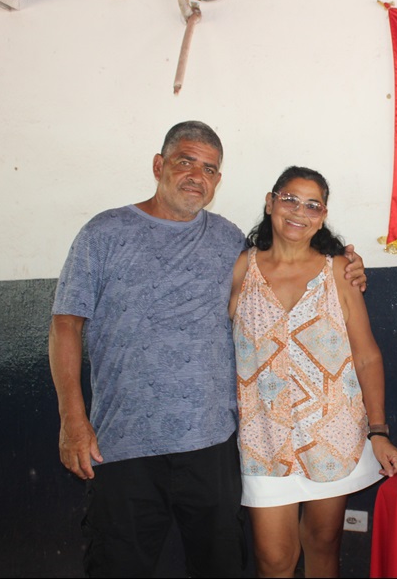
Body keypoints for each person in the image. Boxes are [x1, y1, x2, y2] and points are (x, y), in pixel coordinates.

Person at [48, 122, 367, 578]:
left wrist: (349, 265)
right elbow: (65, 325)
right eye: (186, 161)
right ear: (158, 165)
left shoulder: (228, 241)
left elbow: (289, 256)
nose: (197, 175)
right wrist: (72, 421)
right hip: (123, 444)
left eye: (210, 168)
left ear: (218, 181)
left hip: (213, 446)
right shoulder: (104, 233)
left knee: (220, 566)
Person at [228, 166, 397, 578]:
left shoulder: (339, 272)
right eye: (289, 199)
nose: (298, 212)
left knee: (323, 543)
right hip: (262, 440)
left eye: (312, 205)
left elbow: (366, 356)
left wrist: (378, 432)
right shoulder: (239, 269)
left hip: (332, 436)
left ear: (322, 217)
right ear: (270, 203)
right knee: (273, 559)